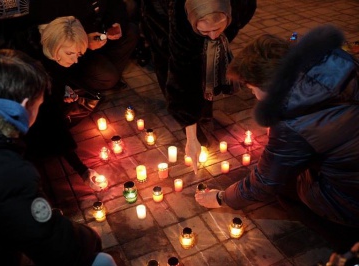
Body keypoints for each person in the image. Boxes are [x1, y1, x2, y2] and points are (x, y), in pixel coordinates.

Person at [195, 24, 359, 251]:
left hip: (352, 199)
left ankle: (346, 240)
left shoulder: (292, 122)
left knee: (286, 188)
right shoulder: (338, 65)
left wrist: (222, 198)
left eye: (252, 88)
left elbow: (265, 182)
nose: (253, 95)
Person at [0, 49, 117, 265]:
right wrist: (90, 239)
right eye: (39, 105)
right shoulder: (2, 169)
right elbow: (50, 238)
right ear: (24, 105)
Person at [140, 0, 256, 173]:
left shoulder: (241, 6)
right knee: (171, 65)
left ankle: (204, 112)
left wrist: (223, 35)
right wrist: (191, 136)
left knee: (205, 57)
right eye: (205, 31)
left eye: (217, 28)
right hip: (160, 19)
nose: (212, 36)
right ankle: (196, 118)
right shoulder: (180, 26)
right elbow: (182, 79)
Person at [17, 16, 103, 192]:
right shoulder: (34, 74)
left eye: (79, 54)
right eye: (70, 54)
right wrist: (82, 170)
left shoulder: (54, 59)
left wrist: (64, 89)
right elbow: (52, 123)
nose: (75, 60)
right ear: (55, 48)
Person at [28, 0, 139, 91]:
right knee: (108, 78)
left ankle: (109, 72)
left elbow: (116, 5)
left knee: (130, 31)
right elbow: (53, 37)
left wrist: (117, 24)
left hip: (98, 35)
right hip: (73, 50)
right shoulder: (50, 5)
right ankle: (77, 83)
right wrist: (84, 41)